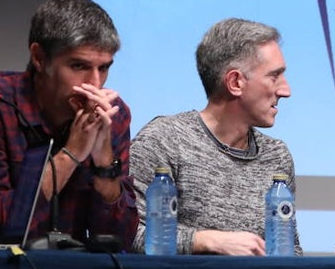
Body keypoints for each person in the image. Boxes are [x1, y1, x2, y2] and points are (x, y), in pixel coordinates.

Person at [0, 0, 138, 248]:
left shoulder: (112, 116)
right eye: (78, 66)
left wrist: (104, 164)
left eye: (104, 68)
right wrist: (72, 153)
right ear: (39, 58)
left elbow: (120, 239)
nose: (95, 84)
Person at [129, 18, 301, 255]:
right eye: (274, 76)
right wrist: (204, 241)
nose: (286, 90)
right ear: (235, 82)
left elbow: (289, 248)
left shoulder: (276, 156)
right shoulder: (164, 141)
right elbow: (130, 234)